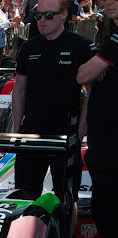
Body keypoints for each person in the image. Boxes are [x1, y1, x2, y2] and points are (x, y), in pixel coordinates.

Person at [12, 0, 96, 202]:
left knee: (66, 199)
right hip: (32, 133)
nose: (42, 20)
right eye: (38, 15)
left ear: (63, 15)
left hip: (66, 134)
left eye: (48, 15)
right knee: (24, 197)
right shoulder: (28, 47)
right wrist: (16, 131)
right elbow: (19, 90)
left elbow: (92, 92)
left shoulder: (81, 46)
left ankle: (66, 235)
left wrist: (82, 129)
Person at [73, 0, 118, 238]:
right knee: (106, 207)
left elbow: (82, 75)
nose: (106, 2)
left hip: (113, 139)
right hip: (104, 133)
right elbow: (90, 82)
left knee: (111, 207)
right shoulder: (108, 33)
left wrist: (94, 67)